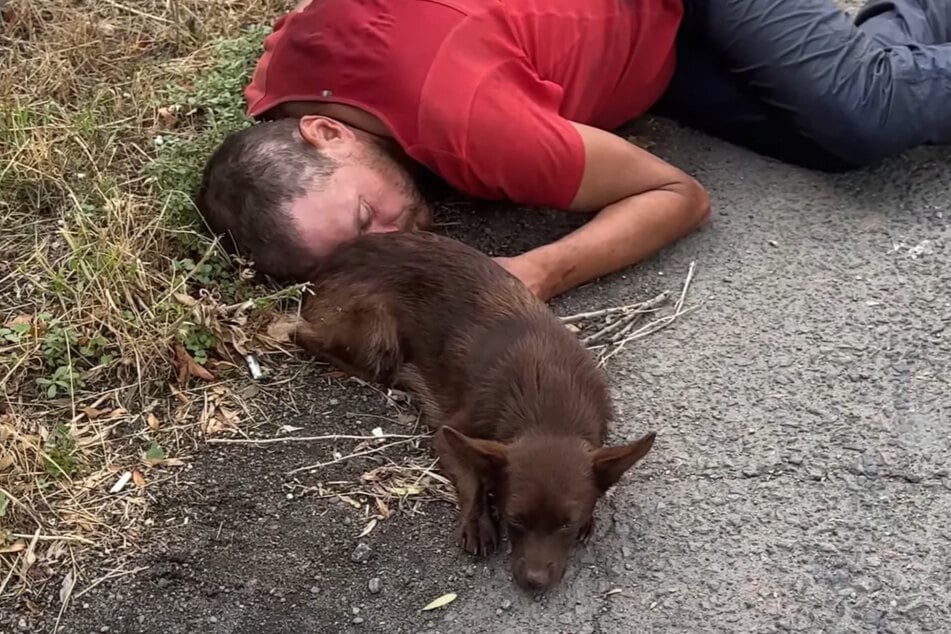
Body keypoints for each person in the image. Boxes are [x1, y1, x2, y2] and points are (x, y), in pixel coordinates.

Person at [196, 0, 951, 301]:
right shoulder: (281, 98)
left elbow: (676, 196)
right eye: (353, 254)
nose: (394, 246)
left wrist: (533, 271)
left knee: (865, 112)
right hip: (647, 39)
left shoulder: (469, 127)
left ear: (325, 133)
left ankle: (861, 71)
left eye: (370, 219)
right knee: (825, 141)